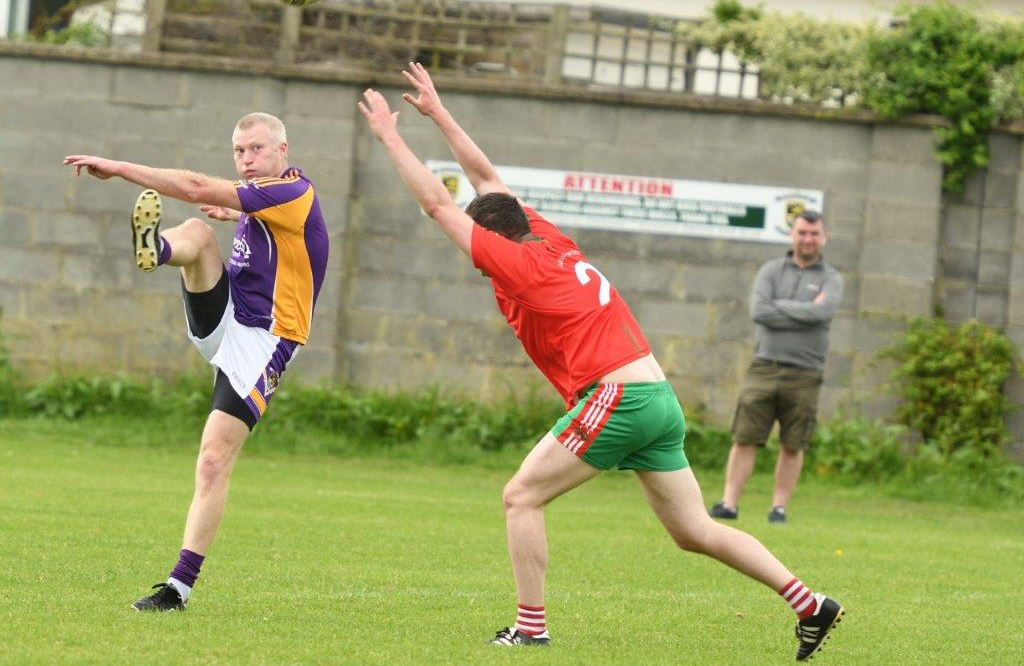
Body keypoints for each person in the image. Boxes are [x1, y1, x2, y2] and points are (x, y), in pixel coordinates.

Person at [357, 62, 843, 662]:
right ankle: (808, 602)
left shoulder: (516, 263)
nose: (473, 254)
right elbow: (484, 176)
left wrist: (391, 135)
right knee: (695, 532)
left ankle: (530, 629)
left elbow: (438, 203)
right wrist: (439, 112)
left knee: (521, 497)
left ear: (495, 243)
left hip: (619, 398)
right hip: (657, 399)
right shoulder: (548, 239)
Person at [63, 112, 329, 611]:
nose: (247, 160)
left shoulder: (292, 194)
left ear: (282, 150)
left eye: (256, 149)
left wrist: (119, 166)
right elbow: (261, 224)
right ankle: (156, 249)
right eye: (239, 152)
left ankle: (177, 588)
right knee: (198, 232)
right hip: (227, 314)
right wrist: (239, 217)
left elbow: (190, 183)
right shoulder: (271, 195)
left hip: (264, 341)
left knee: (212, 460)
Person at [709, 211, 843, 524]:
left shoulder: (832, 278)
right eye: (802, 233)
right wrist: (805, 310)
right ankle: (729, 504)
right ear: (791, 235)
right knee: (744, 436)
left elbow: (823, 313)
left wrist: (781, 306)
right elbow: (760, 311)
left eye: (814, 233)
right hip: (764, 366)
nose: (807, 239)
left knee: (793, 443)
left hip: (806, 372)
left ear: (823, 237)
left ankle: (778, 509)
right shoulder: (770, 271)